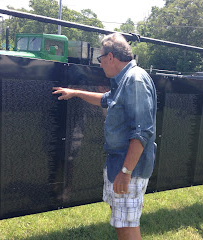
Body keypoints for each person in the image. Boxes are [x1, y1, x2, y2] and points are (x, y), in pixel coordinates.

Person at [52, 33, 157, 240]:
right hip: (117, 163)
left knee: (127, 224)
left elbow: (142, 131)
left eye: (100, 59)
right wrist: (75, 93)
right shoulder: (123, 80)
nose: (100, 65)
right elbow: (106, 99)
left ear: (111, 57)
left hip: (129, 168)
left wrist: (126, 172)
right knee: (121, 220)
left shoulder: (135, 80)